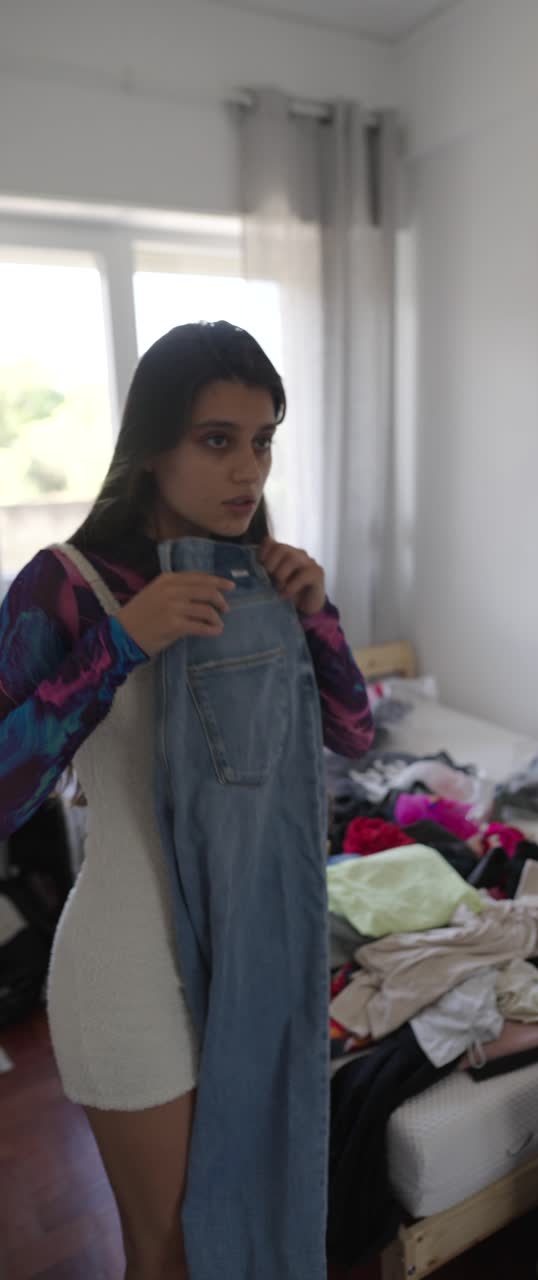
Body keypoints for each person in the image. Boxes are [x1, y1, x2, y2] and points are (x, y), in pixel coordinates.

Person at [0, 320, 374, 1279]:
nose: (246, 470)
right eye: (217, 440)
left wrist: (319, 619)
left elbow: (354, 740)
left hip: (255, 961)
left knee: (252, 1227)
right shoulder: (66, 586)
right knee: (172, 1255)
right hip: (128, 965)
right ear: (150, 448)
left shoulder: (261, 575)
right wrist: (120, 644)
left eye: (261, 442)